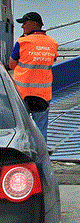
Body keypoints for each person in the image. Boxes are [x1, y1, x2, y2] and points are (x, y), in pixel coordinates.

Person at [8, 12, 58, 140]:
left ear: (34, 24)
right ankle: (41, 156)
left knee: (20, 128)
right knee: (41, 128)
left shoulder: (22, 42)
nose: (23, 26)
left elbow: (11, 64)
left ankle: (22, 155)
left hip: (22, 94)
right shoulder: (52, 43)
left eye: (25, 23)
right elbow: (52, 61)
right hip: (43, 95)